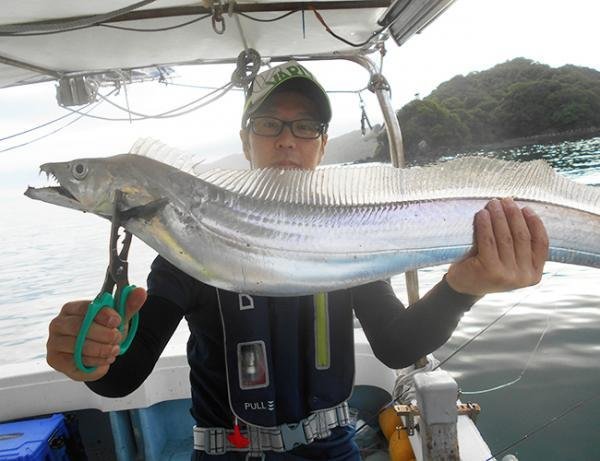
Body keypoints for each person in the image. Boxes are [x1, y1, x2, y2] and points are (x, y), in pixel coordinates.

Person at [46, 61, 549, 460]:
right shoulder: (187, 244)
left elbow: (397, 345)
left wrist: (463, 287)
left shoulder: (345, 238)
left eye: (306, 127)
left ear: (323, 145)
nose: (287, 139)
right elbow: (121, 379)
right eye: (269, 124)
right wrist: (90, 354)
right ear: (246, 141)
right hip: (227, 455)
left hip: (333, 449)